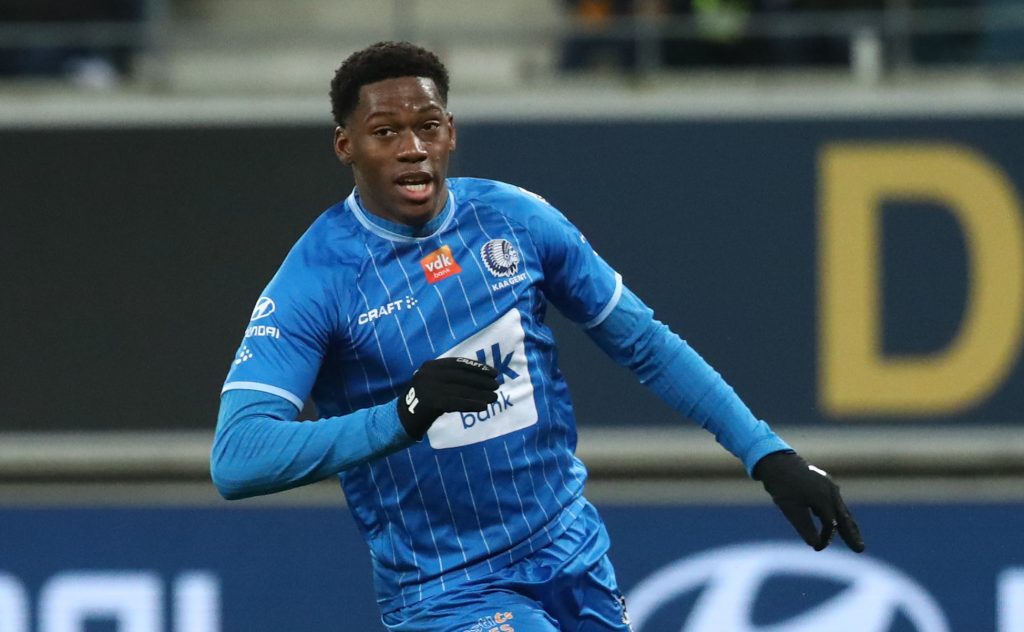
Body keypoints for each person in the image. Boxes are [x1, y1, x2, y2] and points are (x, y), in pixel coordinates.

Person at [211, 40, 864, 631]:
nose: (411, 148)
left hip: (570, 551)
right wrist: (404, 414)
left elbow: (645, 343)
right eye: (385, 132)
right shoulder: (316, 279)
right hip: (446, 588)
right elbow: (238, 458)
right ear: (345, 145)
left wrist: (766, 454)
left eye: (427, 127)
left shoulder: (516, 220)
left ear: (450, 134)